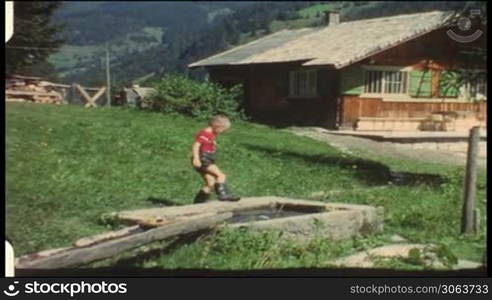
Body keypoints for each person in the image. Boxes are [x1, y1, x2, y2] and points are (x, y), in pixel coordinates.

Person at [191, 115, 240, 203]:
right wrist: (196, 158)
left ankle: (197, 204)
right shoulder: (206, 133)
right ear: (216, 125)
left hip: (205, 159)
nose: (222, 132)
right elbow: (196, 145)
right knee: (221, 176)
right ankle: (223, 195)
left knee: (211, 183)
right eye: (222, 130)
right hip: (204, 159)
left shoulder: (210, 134)